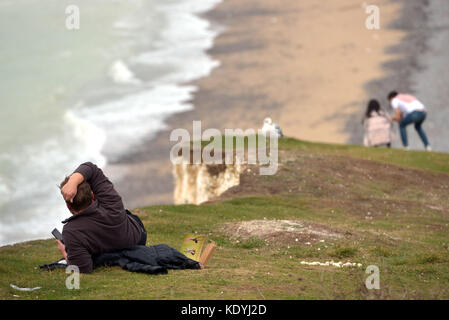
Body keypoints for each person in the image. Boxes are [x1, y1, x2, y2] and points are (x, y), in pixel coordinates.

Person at [56, 162, 147, 273]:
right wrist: (73, 182)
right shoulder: (110, 200)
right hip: (137, 240)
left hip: (107, 250)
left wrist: (65, 252)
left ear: (68, 206)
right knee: (127, 216)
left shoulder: (71, 232)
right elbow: (91, 168)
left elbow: (82, 269)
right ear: (93, 195)